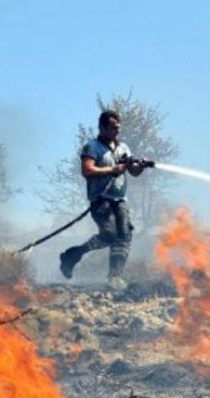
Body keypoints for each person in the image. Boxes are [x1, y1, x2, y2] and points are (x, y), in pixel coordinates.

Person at [59, 110, 145, 289]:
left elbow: (133, 172)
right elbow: (87, 171)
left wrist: (140, 166)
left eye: (118, 128)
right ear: (102, 128)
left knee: (124, 235)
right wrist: (113, 170)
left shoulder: (123, 148)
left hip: (120, 200)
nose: (116, 132)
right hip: (100, 200)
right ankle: (73, 255)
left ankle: (115, 276)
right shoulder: (92, 147)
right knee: (110, 234)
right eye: (113, 128)